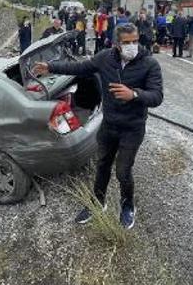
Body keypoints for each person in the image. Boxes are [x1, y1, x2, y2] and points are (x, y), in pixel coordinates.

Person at [31, 23, 163, 229]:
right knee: (102, 166)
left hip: (132, 128)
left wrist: (135, 94)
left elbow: (157, 96)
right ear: (117, 44)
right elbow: (80, 68)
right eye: (127, 43)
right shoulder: (105, 58)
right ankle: (98, 202)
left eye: (135, 41)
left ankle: (127, 205)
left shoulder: (149, 64)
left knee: (123, 171)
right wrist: (51, 67)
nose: (132, 46)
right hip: (109, 125)